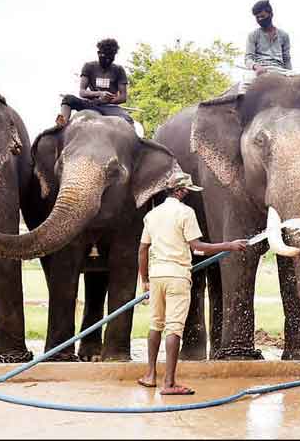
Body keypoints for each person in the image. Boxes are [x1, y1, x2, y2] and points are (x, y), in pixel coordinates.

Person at [136, 172, 247, 395]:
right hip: (177, 276)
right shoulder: (186, 213)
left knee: (156, 324)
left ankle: (150, 375)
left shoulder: (153, 214)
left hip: (157, 276)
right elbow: (197, 246)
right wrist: (229, 245)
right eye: (186, 190)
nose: (187, 194)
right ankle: (168, 384)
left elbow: (142, 249)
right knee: (174, 327)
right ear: (180, 191)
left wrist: (145, 279)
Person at [56, 38, 133, 127]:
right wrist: (99, 94)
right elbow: (82, 92)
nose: (107, 60)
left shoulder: (119, 70)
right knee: (68, 99)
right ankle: (62, 123)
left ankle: (136, 140)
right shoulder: (89, 66)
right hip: (90, 103)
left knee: (128, 120)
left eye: (110, 58)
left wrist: (107, 101)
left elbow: (123, 97)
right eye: (104, 57)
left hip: (109, 106)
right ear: (98, 53)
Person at [244, 0, 292, 75]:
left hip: (280, 69)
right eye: (257, 17)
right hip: (260, 69)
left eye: (262, 16)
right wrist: (256, 66)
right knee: (244, 85)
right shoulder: (253, 35)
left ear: (271, 14)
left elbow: (287, 59)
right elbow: (248, 58)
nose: (260, 19)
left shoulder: (284, 35)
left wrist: (290, 73)